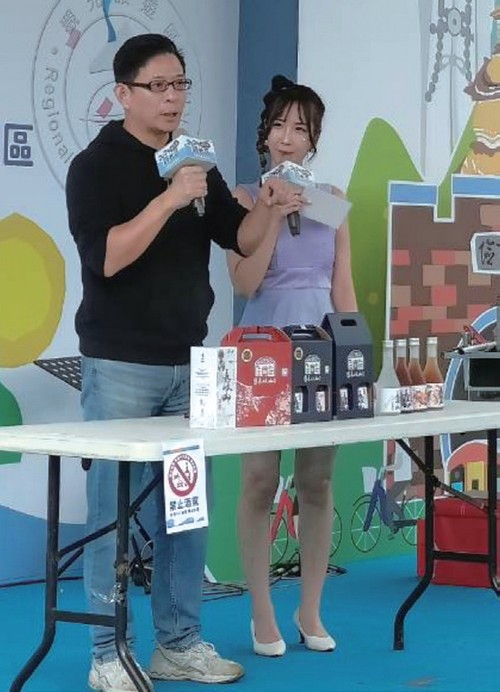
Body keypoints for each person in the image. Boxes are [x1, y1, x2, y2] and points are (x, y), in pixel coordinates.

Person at [66, 36, 301, 692]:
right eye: (159, 86)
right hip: (120, 365)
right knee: (110, 515)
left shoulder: (195, 159)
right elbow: (107, 258)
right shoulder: (96, 166)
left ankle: (179, 644)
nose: (173, 99)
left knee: (186, 512)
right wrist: (169, 198)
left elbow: (239, 237)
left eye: (181, 85)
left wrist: (269, 209)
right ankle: (107, 652)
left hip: (191, 365)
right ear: (124, 94)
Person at [226, 75, 358, 657]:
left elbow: (343, 287)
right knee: (259, 479)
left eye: (300, 129)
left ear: (313, 141)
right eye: (278, 125)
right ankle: (262, 611)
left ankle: (311, 609)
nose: (287, 137)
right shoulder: (241, 199)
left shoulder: (331, 200)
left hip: (322, 349)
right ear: (265, 135)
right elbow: (244, 282)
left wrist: (354, 357)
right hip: (262, 348)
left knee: (318, 481)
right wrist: (274, 212)